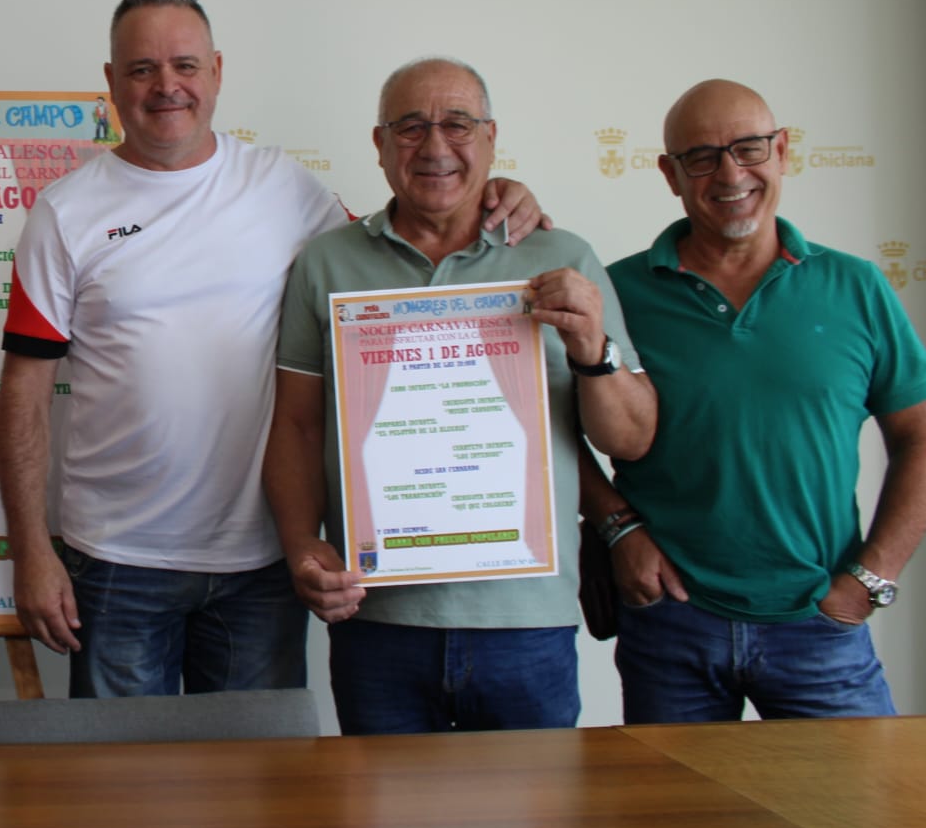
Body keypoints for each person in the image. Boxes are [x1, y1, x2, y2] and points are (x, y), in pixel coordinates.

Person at [0, 0, 544, 697]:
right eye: (142, 69)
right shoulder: (64, 213)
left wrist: (499, 197)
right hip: (116, 563)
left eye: (186, 66)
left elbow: (400, 259)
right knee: (119, 796)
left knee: (257, 796)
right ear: (110, 82)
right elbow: (23, 396)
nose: (167, 86)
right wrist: (31, 551)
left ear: (217, 72)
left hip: (262, 565)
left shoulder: (287, 188)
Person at [265, 58, 655, 734]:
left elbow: (631, 437)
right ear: (380, 145)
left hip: (527, 622)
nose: (436, 145)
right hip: (378, 618)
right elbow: (296, 427)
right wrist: (303, 543)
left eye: (457, 124)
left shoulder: (562, 257)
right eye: (411, 126)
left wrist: (595, 350)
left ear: (491, 137)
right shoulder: (326, 263)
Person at [583, 79, 926, 722]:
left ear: (783, 150)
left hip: (821, 622)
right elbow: (546, 431)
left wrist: (870, 581)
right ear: (670, 173)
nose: (730, 172)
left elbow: (920, 436)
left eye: (749, 148)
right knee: (681, 825)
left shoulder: (855, 287)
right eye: (702, 156)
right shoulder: (616, 291)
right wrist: (615, 526)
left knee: (854, 822)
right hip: (671, 625)